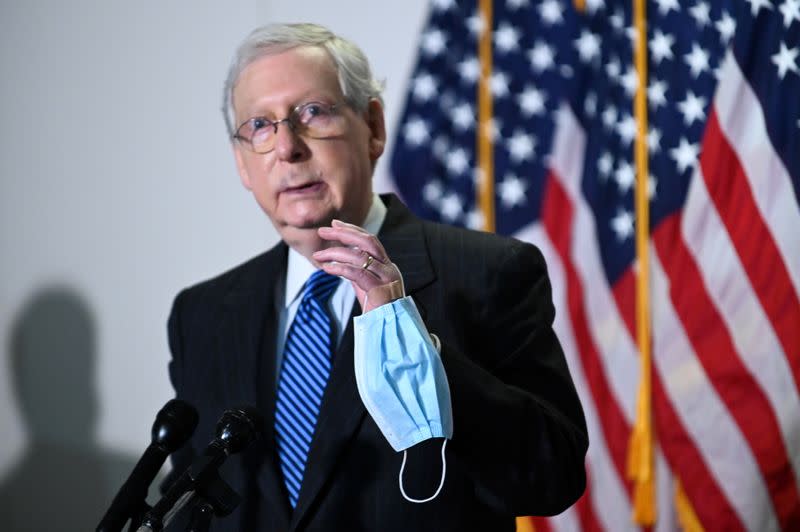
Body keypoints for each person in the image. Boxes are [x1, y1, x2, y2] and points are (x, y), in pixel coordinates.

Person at [165, 22, 588, 531]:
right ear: (241, 163)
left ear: (374, 128)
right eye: (260, 125)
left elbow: (552, 478)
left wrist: (411, 345)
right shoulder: (203, 315)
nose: (287, 148)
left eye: (312, 113)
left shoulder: (489, 273)